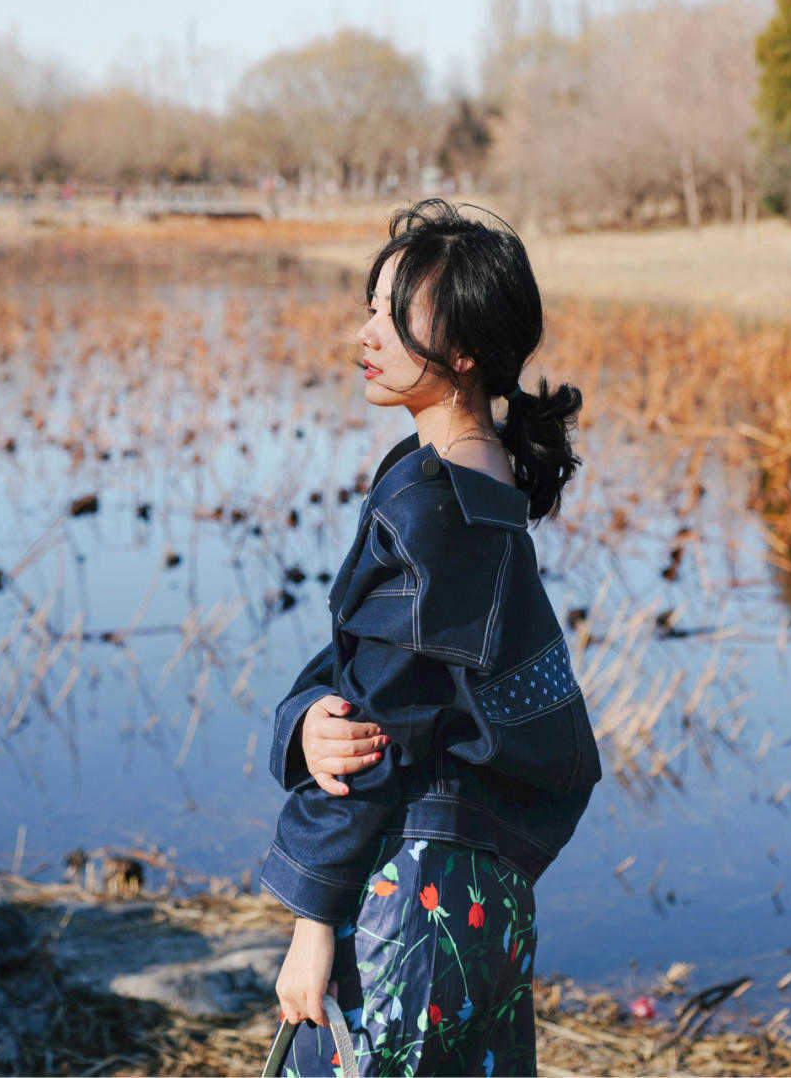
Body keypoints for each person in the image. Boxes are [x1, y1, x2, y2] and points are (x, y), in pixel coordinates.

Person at [259, 198, 603, 1075]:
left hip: (406, 905)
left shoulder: (434, 511)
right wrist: (308, 718)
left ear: (464, 350)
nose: (365, 332)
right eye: (370, 306)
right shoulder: (488, 485)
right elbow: (381, 680)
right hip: (483, 905)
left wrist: (310, 925)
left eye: (393, 313)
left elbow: (376, 732)